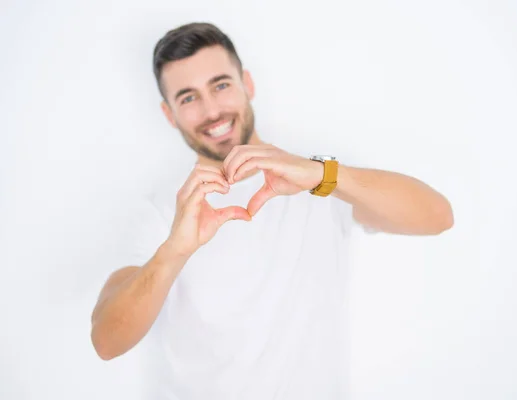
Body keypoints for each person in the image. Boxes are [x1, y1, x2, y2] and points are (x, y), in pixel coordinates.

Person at [90, 22, 454, 399]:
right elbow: (107, 340)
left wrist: (320, 173)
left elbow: (438, 217)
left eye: (221, 85)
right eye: (188, 98)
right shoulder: (160, 209)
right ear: (170, 115)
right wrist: (175, 250)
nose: (212, 110)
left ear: (247, 83)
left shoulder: (319, 181)